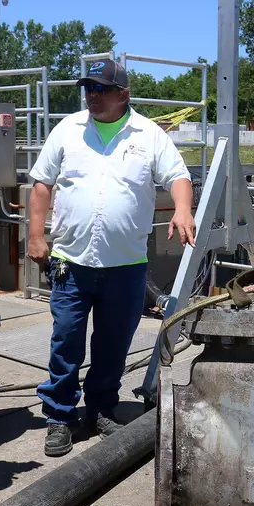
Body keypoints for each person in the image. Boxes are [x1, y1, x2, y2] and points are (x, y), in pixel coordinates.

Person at [27, 58, 196, 457]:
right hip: (72, 259)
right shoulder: (68, 129)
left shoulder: (149, 135)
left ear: (124, 94)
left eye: (101, 89)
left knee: (113, 343)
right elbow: (41, 184)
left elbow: (178, 176)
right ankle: (59, 416)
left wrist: (183, 209)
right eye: (89, 88)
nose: (93, 95)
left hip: (125, 264)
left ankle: (101, 406)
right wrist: (35, 234)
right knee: (66, 339)